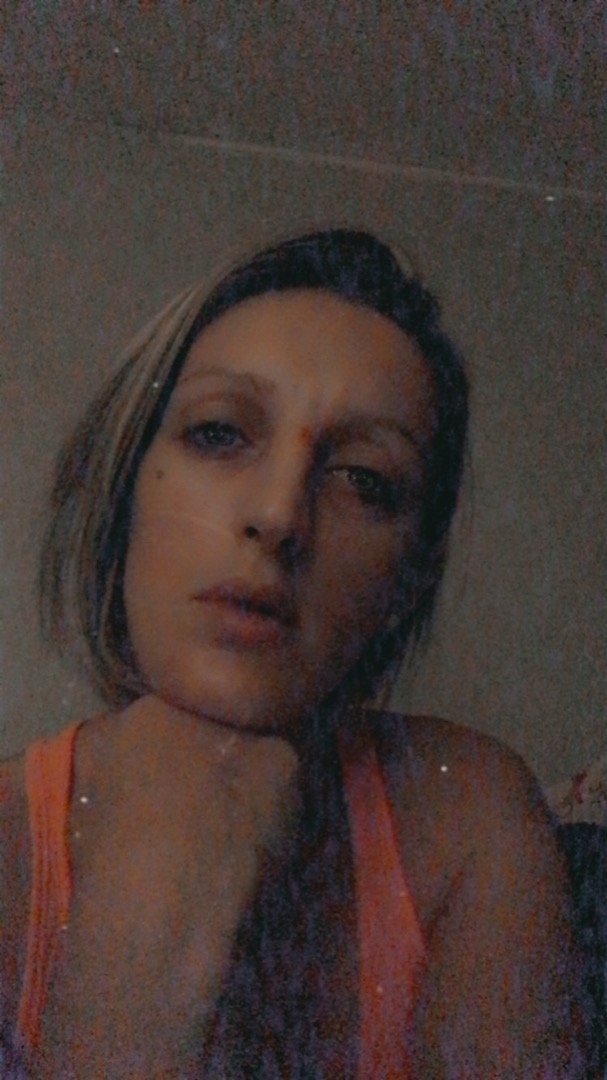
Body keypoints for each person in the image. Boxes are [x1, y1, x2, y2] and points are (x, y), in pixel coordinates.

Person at [0, 229, 585, 1078]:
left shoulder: (471, 820)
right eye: (217, 433)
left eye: (363, 479)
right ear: (125, 487)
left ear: (405, 584)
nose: (278, 515)